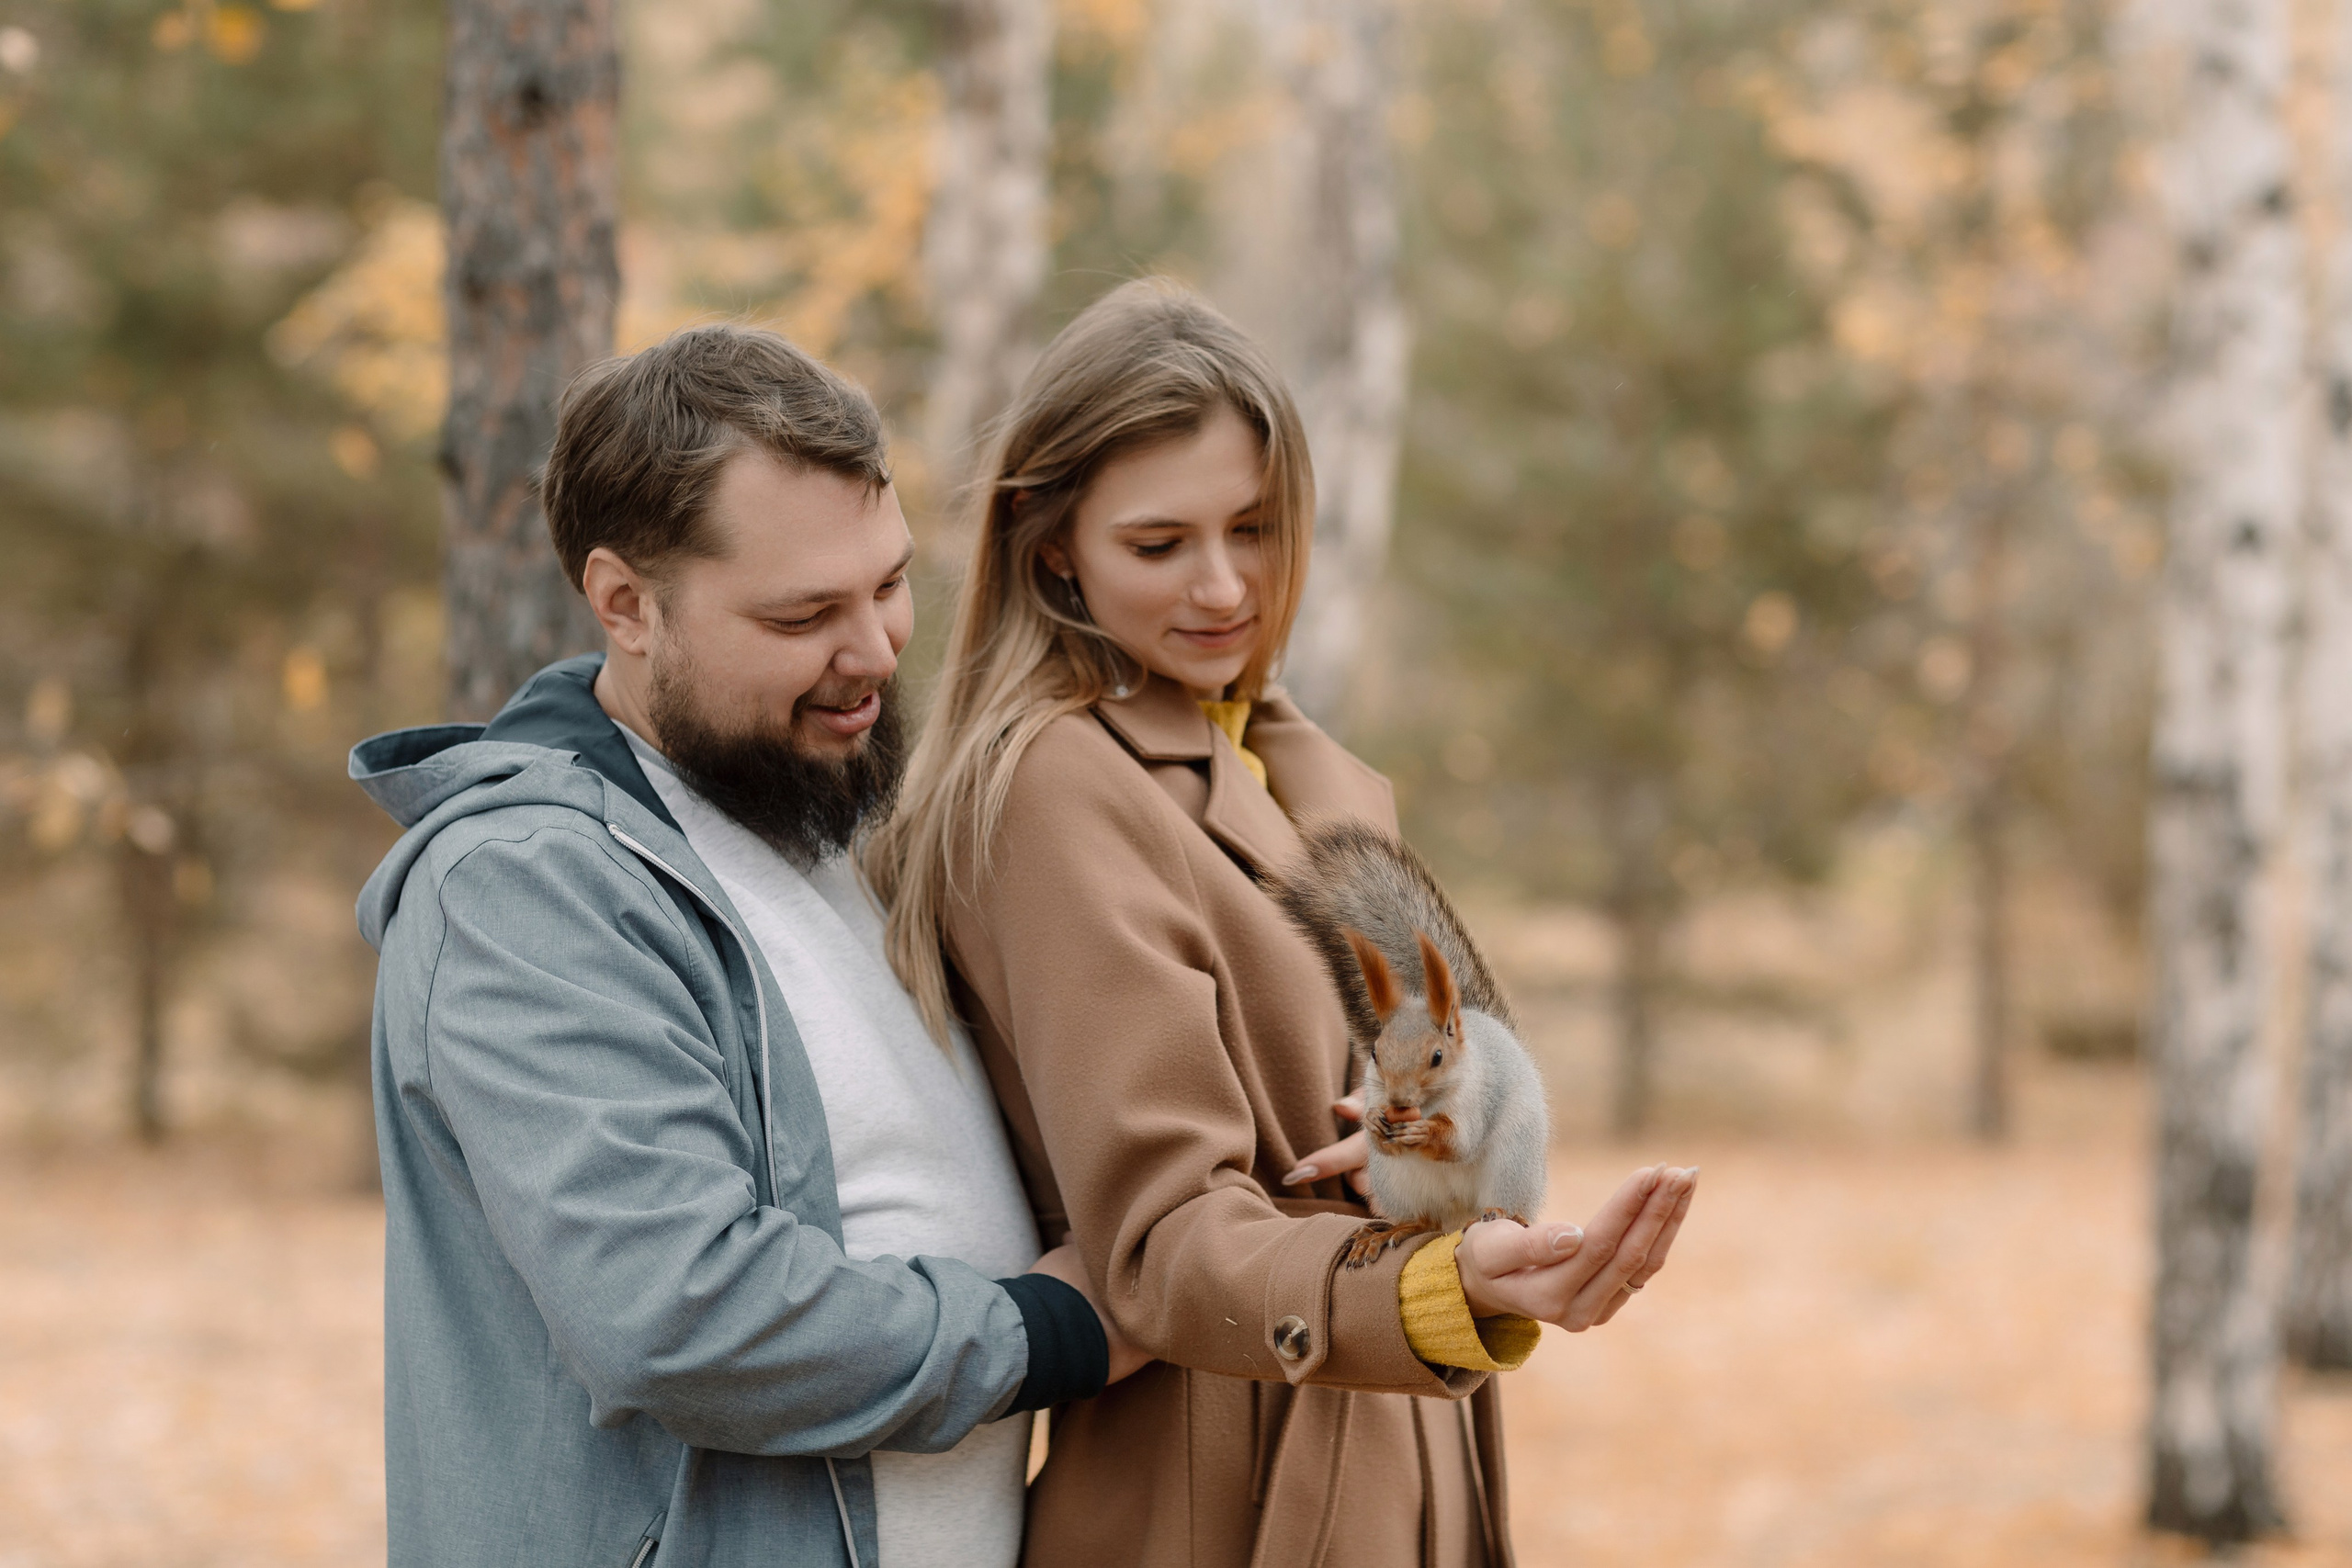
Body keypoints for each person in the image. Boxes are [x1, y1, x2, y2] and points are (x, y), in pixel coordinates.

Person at [868, 278, 1699, 1568]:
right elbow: (1158, 1238)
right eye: (1159, 545)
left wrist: (1429, 1155)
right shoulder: (1052, 787)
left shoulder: (1295, 764)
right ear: (1051, 545)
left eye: (1255, 528)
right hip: (1229, 1485)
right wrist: (1432, 1286)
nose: (1223, 586)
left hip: (1401, 1440)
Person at [349, 323, 1136, 1568]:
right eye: (804, 614)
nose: (874, 651)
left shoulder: (833, 820)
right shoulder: (526, 889)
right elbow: (679, 1314)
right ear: (626, 605)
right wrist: (1050, 1332)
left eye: (888, 584)